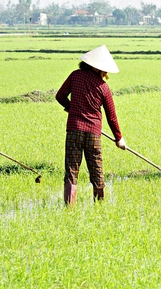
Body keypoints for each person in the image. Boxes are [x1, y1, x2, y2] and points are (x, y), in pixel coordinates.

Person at [55, 45, 126, 206]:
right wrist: (119, 138)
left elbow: (60, 96)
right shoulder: (103, 88)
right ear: (96, 67)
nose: (105, 74)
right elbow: (111, 117)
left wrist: (71, 107)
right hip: (93, 133)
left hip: (74, 129)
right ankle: (99, 206)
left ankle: (69, 208)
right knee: (96, 169)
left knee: (71, 169)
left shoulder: (75, 76)